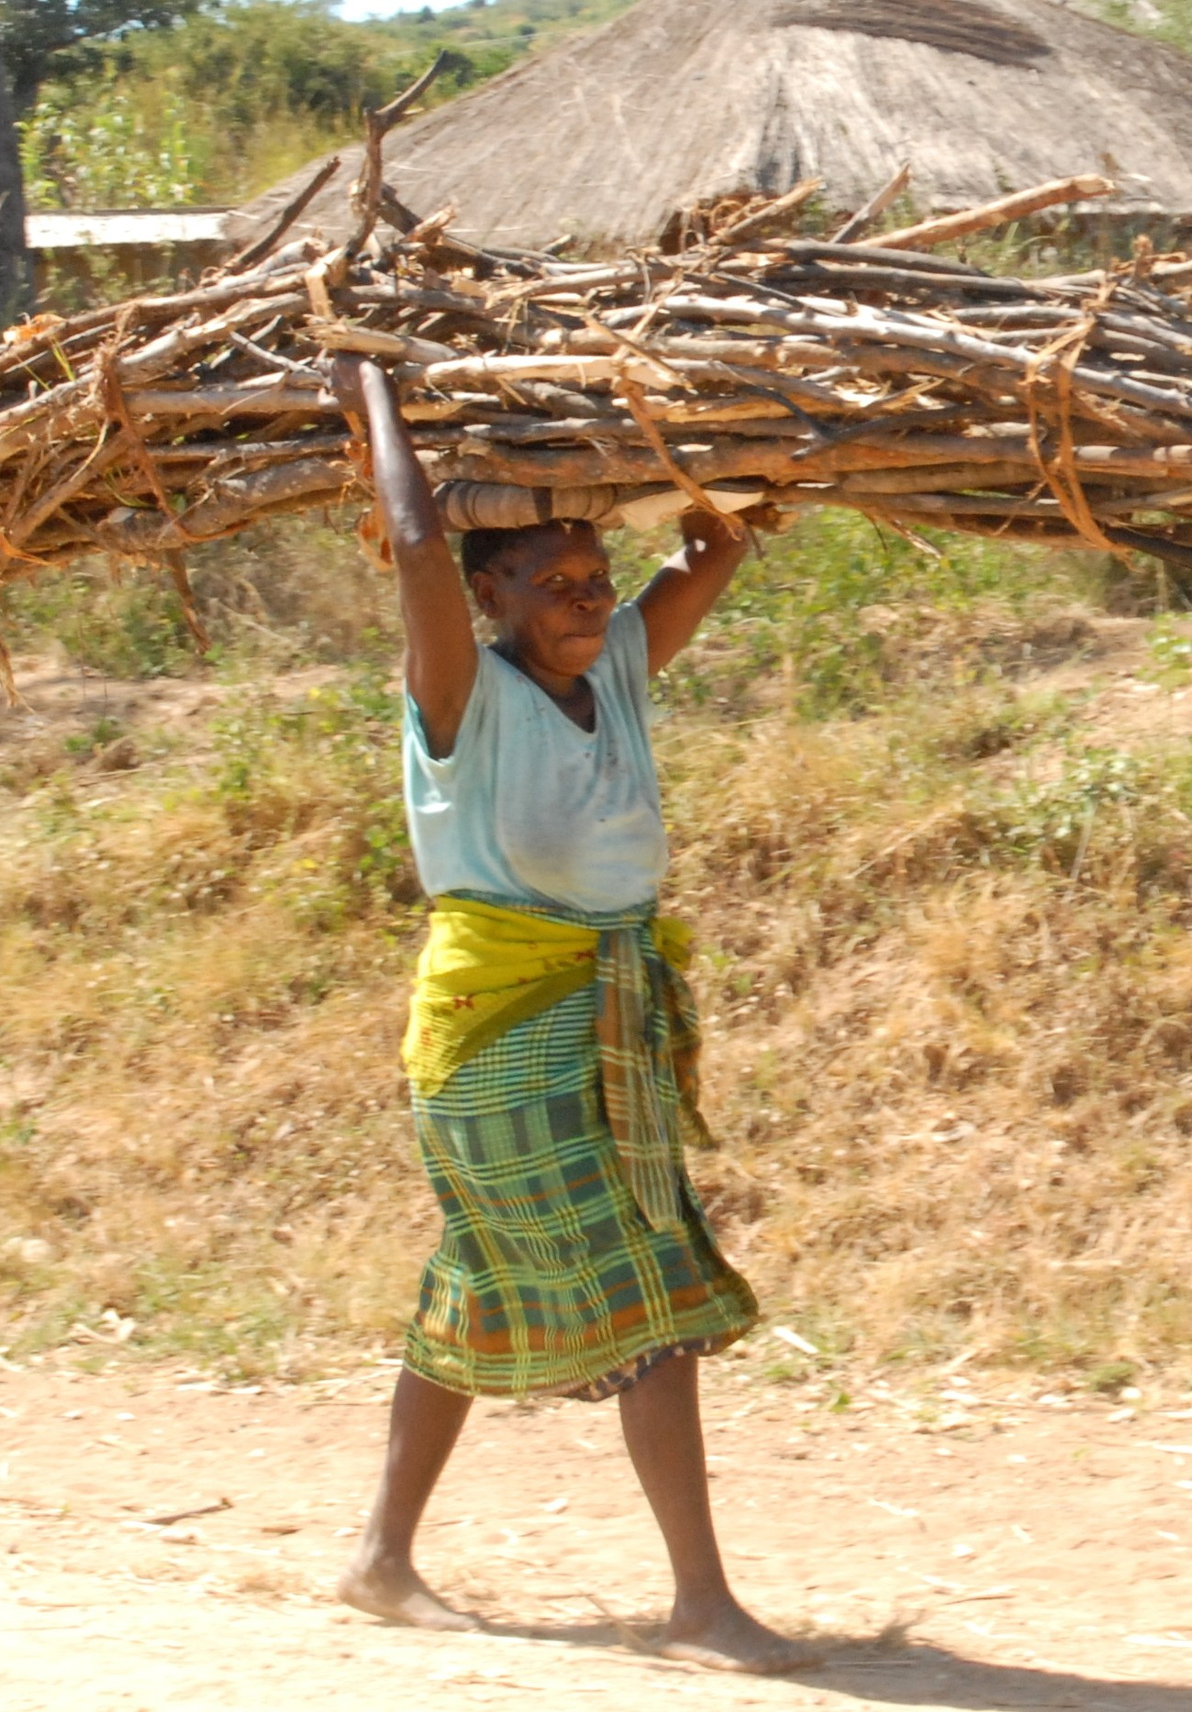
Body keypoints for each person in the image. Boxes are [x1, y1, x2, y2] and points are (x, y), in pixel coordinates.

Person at [329, 351, 816, 1675]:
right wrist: (371, 389)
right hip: (500, 1034)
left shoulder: (622, 670)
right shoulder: (461, 698)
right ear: (490, 598)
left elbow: (720, 540)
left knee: (486, 1273)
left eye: (596, 580)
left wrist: (709, 446)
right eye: (552, 585)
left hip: (599, 1011)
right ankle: (703, 1604)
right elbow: (417, 549)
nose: (585, 603)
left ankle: (378, 1557)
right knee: (647, 1285)